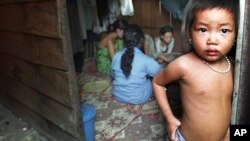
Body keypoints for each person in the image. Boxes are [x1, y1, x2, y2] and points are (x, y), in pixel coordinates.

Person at [152, 0, 238, 140]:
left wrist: (229, 131)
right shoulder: (184, 65)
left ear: (236, 35)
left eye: (224, 30)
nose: (212, 40)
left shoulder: (234, 65)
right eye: (203, 30)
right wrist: (169, 118)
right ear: (189, 33)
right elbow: (157, 82)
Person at [112, 24, 162, 104]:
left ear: (124, 40)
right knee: (150, 79)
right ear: (141, 40)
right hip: (138, 98)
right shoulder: (145, 60)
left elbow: (113, 76)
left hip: (118, 95)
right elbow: (159, 73)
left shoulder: (116, 56)